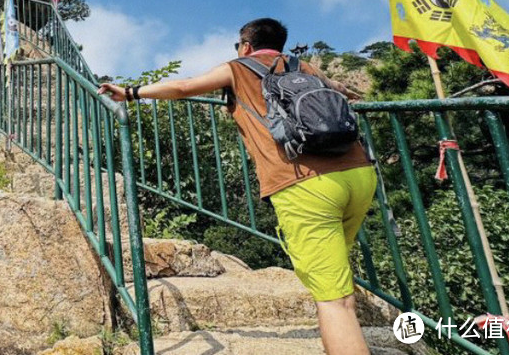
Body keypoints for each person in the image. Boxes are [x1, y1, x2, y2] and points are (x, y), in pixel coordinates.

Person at [99, 18, 376, 355]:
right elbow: (342, 92)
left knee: (336, 302)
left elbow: (185, 87)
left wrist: (130, 93)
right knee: (334, 269)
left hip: (305, 184)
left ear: (246, 45)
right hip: (359, 174)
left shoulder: (238, 68)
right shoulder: (305, 67)